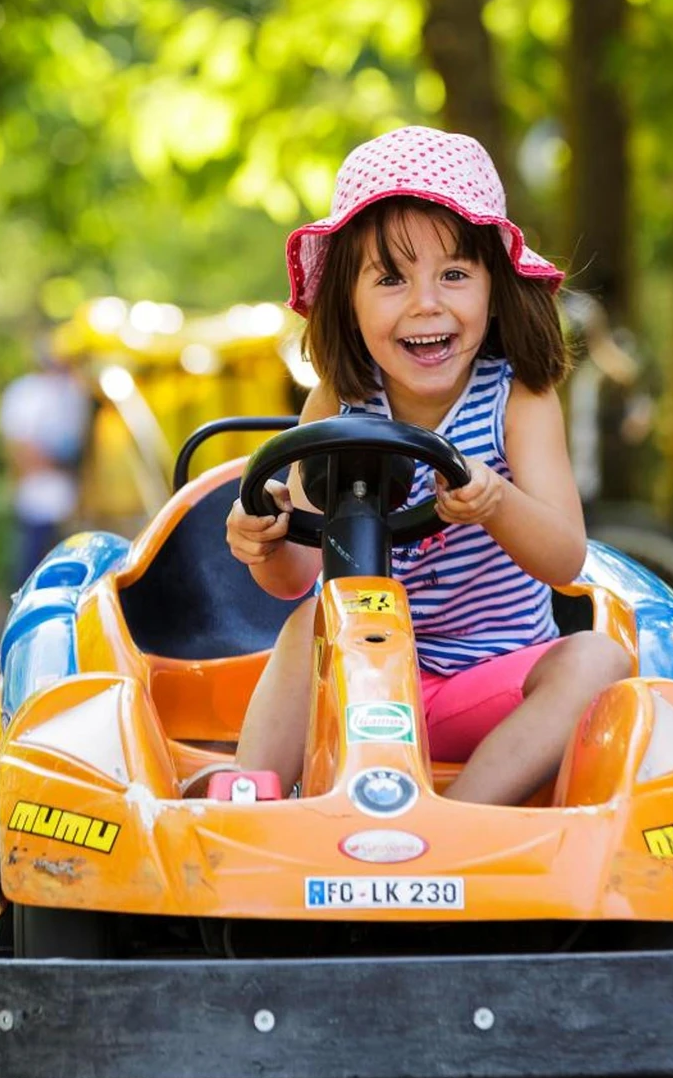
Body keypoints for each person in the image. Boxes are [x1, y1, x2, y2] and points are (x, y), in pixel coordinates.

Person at [224, 125, 631, 807]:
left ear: (494, 287)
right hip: (367, 681)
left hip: (494, 692)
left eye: (454, 275)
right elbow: (294, 576)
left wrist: (498, 504)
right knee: (310, 624)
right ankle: (250, 804)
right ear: (347, 303)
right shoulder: (339, 401)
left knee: (599, 660)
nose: (427, 303)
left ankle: (463, 817)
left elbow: (565, 559)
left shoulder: (518, 399)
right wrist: (263, 537)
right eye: (391, 278)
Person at [0, 335, 93, 586]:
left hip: (66, 497)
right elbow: (19, 448)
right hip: (36, 497)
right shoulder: (27, 393)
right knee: (30, 565)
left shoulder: (74, 392)